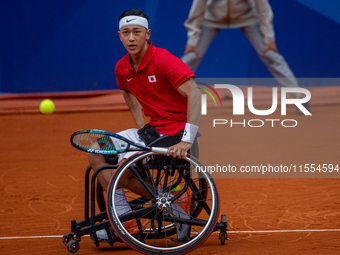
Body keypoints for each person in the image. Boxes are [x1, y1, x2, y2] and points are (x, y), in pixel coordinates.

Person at [88, 8, 201, 241]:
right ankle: (124, 217)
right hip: (153, 131)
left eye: (136, 32)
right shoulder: (122, 67)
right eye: (126, 32)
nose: (131, 38)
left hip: (176, 131)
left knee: (124, 164)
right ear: (119, 35)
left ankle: (172, 203)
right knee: (96, 149)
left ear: (147, 34)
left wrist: (187, 139)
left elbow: (195, 95)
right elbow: (127, 92)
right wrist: (141, 125)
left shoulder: (164, 60)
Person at [181, 0, 310, 114]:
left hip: (247, 18)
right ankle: (163, 95)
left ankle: (299, 96)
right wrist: (192, 41)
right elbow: (197, 9)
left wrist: (269, 38)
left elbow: (263, 9)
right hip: (211, 19)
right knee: (193, 56)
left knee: (269, 54)